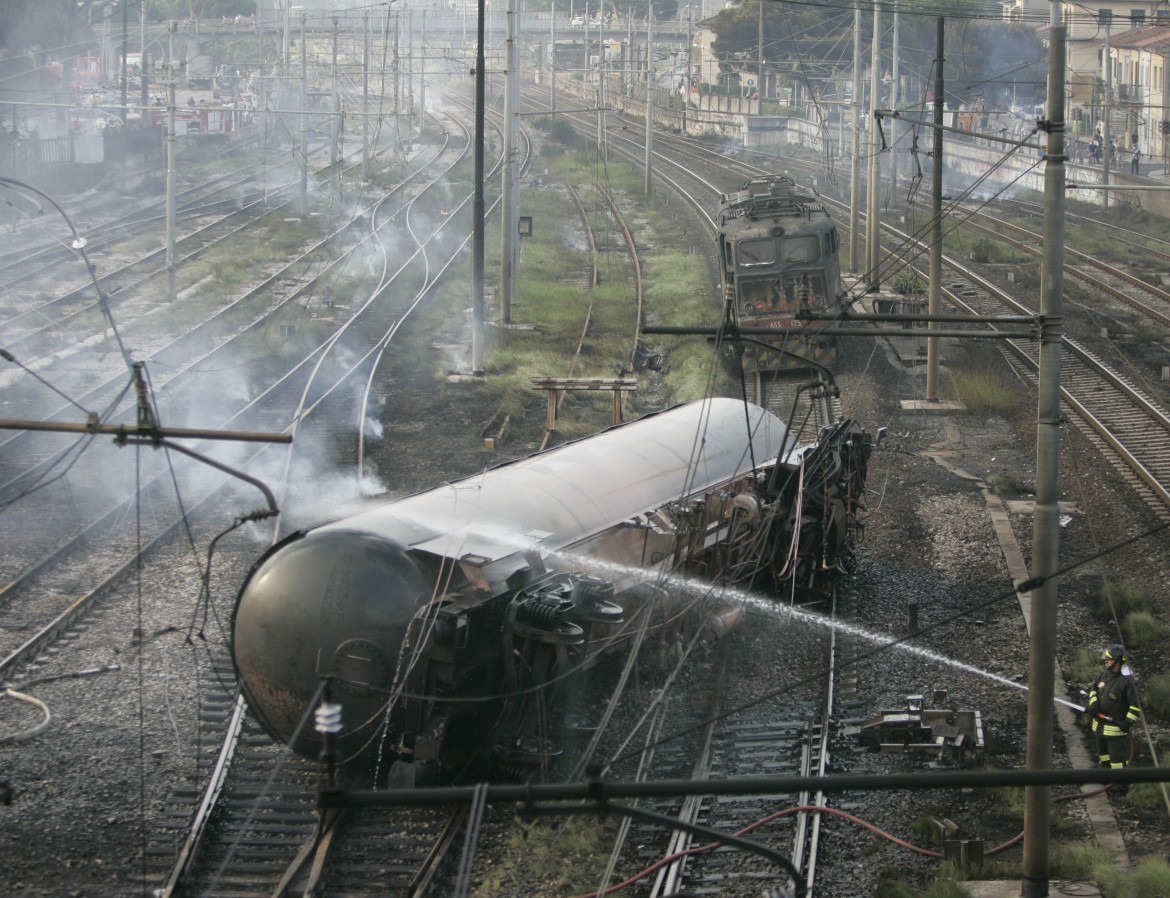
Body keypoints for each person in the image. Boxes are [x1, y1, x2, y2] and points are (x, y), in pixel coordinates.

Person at [1087, 644, 1141, 780]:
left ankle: (1120, 785)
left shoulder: (1127, 682)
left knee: (1117, 761)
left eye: (1109, 659)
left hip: (1115, 731)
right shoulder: (1105, 674)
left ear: (1118, 661)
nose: (1105, 661)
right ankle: (1106, 779)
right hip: (1099, 727)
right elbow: (1093, 689)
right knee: (1104, 757)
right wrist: (1093, 704)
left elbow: (1135, 706)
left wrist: (1128, 722)